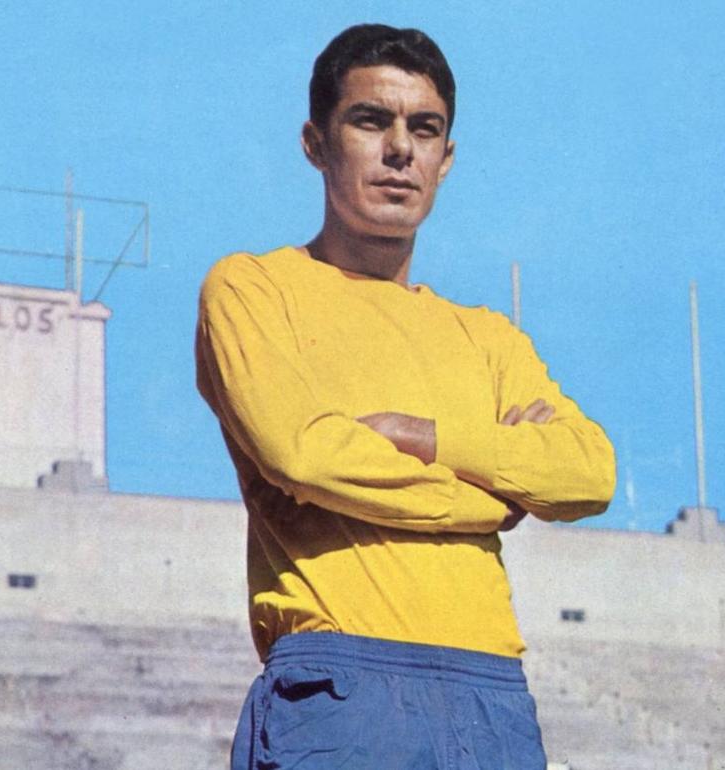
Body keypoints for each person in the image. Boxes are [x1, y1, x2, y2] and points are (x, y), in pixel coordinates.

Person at [196, 23, 616, 769]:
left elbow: (587, 471)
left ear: (446, 158)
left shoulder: (486, 336)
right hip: (342, 686)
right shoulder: (255, 289)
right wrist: (493, 498)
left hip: (492, 696)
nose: (400, 150)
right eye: (370, 121)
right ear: (316, 142)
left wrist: (431, 439)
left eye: (425, 129)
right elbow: (305, 453)